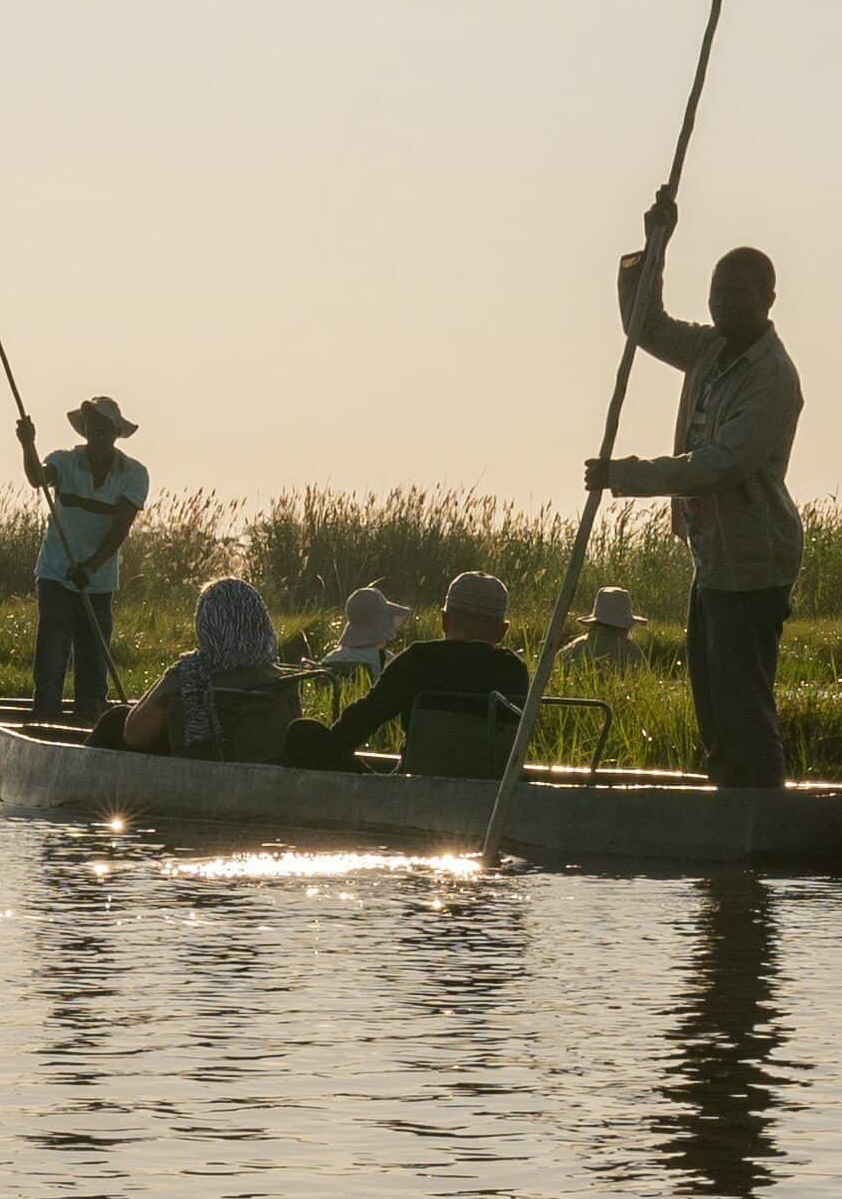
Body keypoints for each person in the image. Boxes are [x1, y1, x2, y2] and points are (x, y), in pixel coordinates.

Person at [589, 199, 803, 784]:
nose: (723, 303)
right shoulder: (708, 349)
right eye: (716, 293)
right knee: (710, 700)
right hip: (712, 557)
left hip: (755, 560)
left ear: (767, 300)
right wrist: (655, 244)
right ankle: (727, 809)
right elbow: (645, 326)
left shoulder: (773, 377)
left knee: (741, 704)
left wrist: (623, 475)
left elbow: (718, 465)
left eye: (737, 294)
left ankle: (757, 812)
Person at [282, 569, 531, 774]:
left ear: (444, 620)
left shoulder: (418, 659)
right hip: (491, 796)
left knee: (303, 734)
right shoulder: (514, 670)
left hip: (412, 788)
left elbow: (359, 723)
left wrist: (330, 747)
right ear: (503, 631)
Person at [17, 393, 146, 719]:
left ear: (116, 432)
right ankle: (44, 722)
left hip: (98, 583)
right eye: (92, 426)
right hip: (55, 576)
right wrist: (27, 444)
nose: (98, 433)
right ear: (85, 430)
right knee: (52, 659)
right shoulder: (64, 461)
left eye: (104, 427)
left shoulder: (133, 474)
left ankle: (90, 725)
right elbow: (37, 478)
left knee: (92, 666)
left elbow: (119, 530)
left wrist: (89, 567)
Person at [120, 579, 298, 759]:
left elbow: (133, 736)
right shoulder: (282, 679)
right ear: (261, 621)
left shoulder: (187, 675)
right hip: (264, 775)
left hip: (196, 776)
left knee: (116, 717)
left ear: (205, 624)